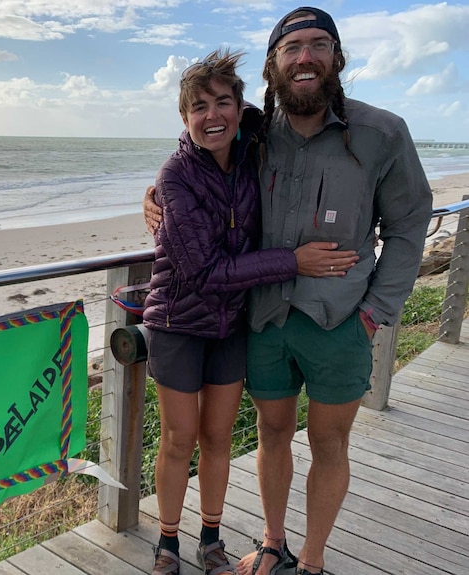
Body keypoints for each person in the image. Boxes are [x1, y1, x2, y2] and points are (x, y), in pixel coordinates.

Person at [143, 7, 433, 575]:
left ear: (337, 57)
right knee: (272, 433)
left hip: (343, 319)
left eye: (318, 45)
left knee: (330, 443)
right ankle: (272, 543)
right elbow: (198, 145)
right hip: (264, 318)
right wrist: (154, 192)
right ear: (275, 65)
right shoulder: (257, 131)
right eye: (291, 47)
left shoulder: (381, 132)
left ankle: (313, 559)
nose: (305, 57)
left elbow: (409, 225)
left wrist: (376, 312)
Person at [143, 47, 358, 575]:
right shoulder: (176, 176)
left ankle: (210, 539)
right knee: (177, 438)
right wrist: (292, 262)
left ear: (240, 109)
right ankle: (168, 542)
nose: (211, 115)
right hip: (177, 321)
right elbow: (203, 272)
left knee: (218, 437)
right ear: (183, 116)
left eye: (222, 103)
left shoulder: (251, 148)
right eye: (198, 107)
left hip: (232, 322)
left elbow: (298, 102)